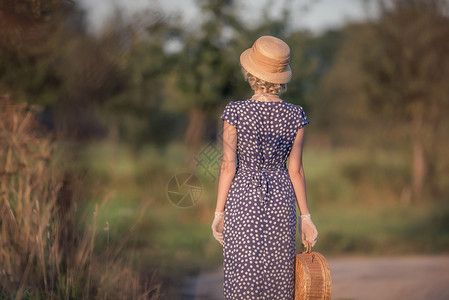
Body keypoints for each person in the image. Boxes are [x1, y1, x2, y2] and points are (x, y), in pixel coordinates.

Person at [211, 35, 318, 299]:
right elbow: (296, 171)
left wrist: (218, 213)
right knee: (277, 276)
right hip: (281, 199)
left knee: (243, 274)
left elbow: (227, 166)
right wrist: (306, 218)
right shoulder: (295, 115)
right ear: (280, 78)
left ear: (250, 73)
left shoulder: (235, 112)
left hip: (243, 197)